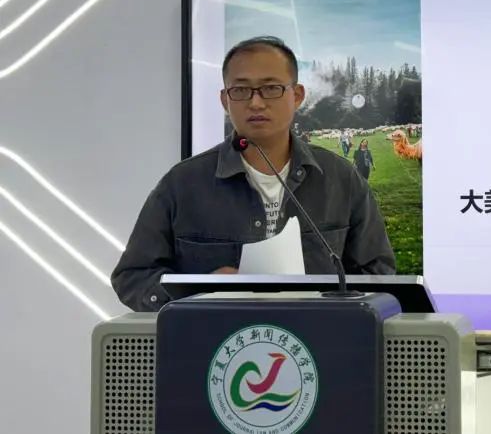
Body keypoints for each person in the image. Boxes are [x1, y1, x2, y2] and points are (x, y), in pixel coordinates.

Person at [111, 36, 396, 312]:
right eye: (241, 90)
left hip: (319, 337)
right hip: (217, 338)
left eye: (271, 88)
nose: (256, 103)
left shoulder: (341, 179)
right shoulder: (182, 184)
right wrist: (199, 294)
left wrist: (332, 306)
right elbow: (133, 277)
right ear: (225, 100)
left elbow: (378, 273)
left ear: (297, 95)